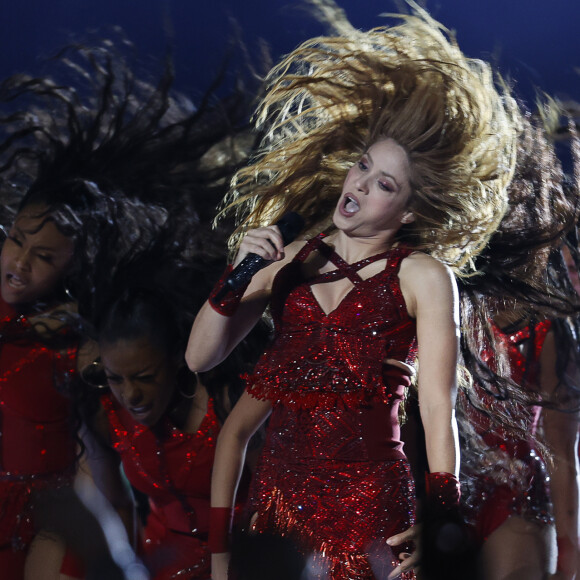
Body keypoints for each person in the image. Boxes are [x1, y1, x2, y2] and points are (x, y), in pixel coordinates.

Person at [186, 6, 521, 579]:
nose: (360, 185)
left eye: (383, 183)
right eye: (362, 168)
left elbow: (437, 408)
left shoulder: (422, 275)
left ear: (408, 207)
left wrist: (443, 518)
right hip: (278, 506)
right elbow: (199, 358)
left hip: (372, 507)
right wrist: (238, 272)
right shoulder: (288, 260)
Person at [0, 37, 254, 579]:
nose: (20, 263)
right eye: (14, 239)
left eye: (42, 255)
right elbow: (107, 489)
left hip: (220, 562)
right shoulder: (103, 388)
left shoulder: (217, 393)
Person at [80, 253, 269, 580]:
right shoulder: (103, 413)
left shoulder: (226, 402)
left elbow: (270, 505)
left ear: (177, 358)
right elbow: (117, 510)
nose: (130, 394)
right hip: (158, 563)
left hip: (239, 559)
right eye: (115, 378)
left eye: (144, 376)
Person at [457, 107, 580, 579]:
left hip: (517, 496)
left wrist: (569, 554)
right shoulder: (436, 291)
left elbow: (561, 449)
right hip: (434, 490)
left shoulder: (547, 326)